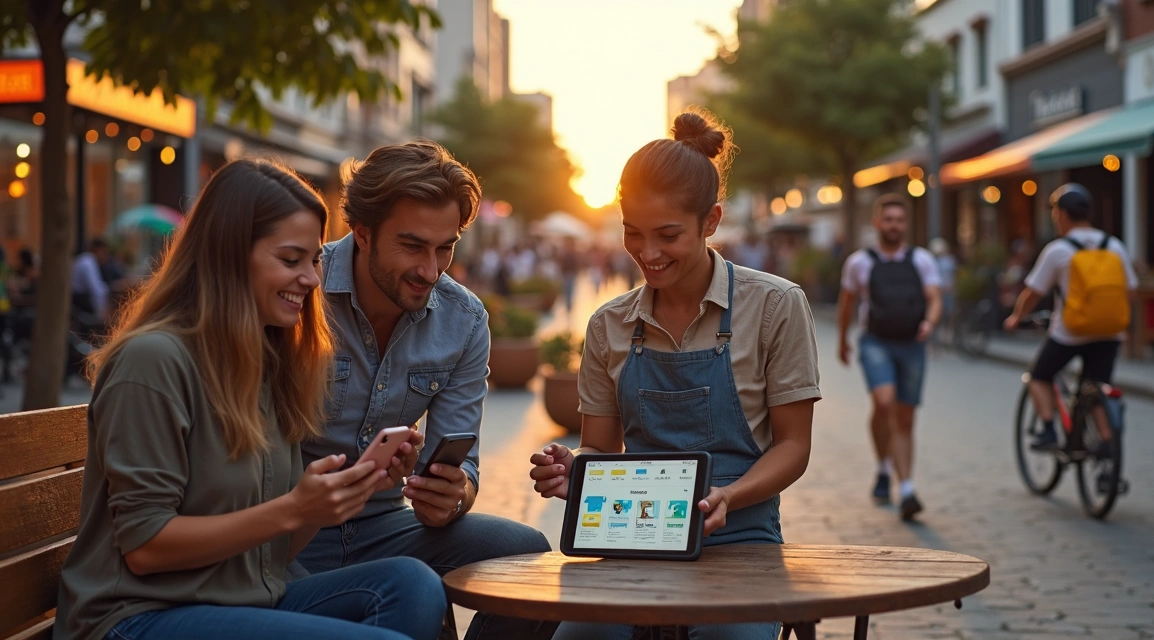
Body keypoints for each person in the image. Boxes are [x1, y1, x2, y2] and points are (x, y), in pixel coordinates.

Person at [53, 159, 446, 640]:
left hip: (242, 598)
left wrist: (344, 492)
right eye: (290, 260)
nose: (312, 279)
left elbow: (273, 552)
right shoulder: (153, 360)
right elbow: (146, 547)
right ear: (229, 254)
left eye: (315, 259)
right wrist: (294, 509)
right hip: (136, 616)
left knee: (413, 585)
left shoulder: (265, 361)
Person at [529, 110, 820, 640]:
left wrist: (729, 497)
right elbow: (599, 447)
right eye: (632, 234)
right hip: (632, 535)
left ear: (711, 221)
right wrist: (576, 472)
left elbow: (793, 446)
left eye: (667, 235)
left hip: (741, 538)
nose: (648, 253)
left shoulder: (776, 305)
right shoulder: (607, 324)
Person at [296, 141, 556, 640]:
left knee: (531, 559)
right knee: (413, 593)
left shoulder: (463, 320)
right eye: (413, 246)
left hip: (387, 528)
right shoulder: (300, 290)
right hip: (289, 535)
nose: (431, 270)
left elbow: (466, 461)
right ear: (363, 232)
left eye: (446, 247)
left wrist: (454, 497)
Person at [1003, 183, 1137, 457]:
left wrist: (1017, 317)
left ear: (1061, 214)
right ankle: (1107, 448)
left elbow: (1033, 293)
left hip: (1070, 332)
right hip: (1110, 332)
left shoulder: (1058, 250)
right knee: (1098, 384)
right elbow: (1130, 291)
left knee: (1038, 376)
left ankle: (1049, 429)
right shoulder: (1114, 246)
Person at [837, 194, 942, 520]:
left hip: (912, 342)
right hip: (875, 341)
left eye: (899, 220)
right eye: (889, 219)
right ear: (877, 222)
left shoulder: (922, 260)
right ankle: (895, 476)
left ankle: (900, 482)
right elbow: (847, 303)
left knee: (906, 416)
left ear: (905, 225)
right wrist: (842, 340)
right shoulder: (859, 262)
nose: (894, 225)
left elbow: (935, 298)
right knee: (884, 403)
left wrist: (931, 322)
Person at [70, 238, 112, 323]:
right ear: (98, 250)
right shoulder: (88, 262)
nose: (105, 256)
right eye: (104, 252)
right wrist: (102, 315)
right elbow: (96, 290)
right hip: (81, 306)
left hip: (79, 303)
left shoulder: (85, 260)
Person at [929, 237, 956, 347]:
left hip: (947, 292)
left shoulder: (949, 261)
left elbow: (952, 277)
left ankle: (946, 336)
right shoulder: (932, 261)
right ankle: (935, 342)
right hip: (938, 292)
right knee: (937, 316)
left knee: (947, 314)